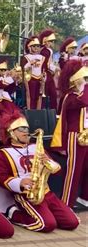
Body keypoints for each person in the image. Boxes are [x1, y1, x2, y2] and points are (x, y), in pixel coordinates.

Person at [0, 110, 79, 232]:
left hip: (46, 191)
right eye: (21, 129)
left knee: (72, 222)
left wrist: (48, 162)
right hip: (27, 195)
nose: (26, 132)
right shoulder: (3, 153)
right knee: (47, 225)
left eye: (27, 129)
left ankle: (47, 213)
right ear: (11, 133)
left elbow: (56, 170)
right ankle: (14, 214)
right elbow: (0, 177)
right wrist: (20, 182)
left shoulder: (36, 147)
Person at [51, 60, 88, 208]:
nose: (85, 81)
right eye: (84, 79)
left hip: (85, 133)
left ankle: (84, 197)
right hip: (75, 136)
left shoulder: (81, 94)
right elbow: (84, 101)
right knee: (74, 171)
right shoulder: (71, 97)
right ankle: (66, 202)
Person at [21, 36, 45, 109]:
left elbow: (44, 69)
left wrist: (44, 77)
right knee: (30, 95)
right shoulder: (26, 57)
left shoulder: (42, 57)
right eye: (34, 46)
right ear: (29, 47)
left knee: (39, 96)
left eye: (38, 46)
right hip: (30, 78)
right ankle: (30, 112)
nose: (36, 48)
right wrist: (30, 63)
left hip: (39, 78)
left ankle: (38, 112)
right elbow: (23, 68)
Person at [38, 29, 59, 109]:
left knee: (52, 94)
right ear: (45, 40)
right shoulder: (45, 51)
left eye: (52, 41)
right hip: (44, 74)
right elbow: (46, 64)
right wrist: (55, 68)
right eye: (50, 41)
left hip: (48, 73)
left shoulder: (48, 50)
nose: (52, 43)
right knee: (48, 94)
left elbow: (49, 64)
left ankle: (52, 112)